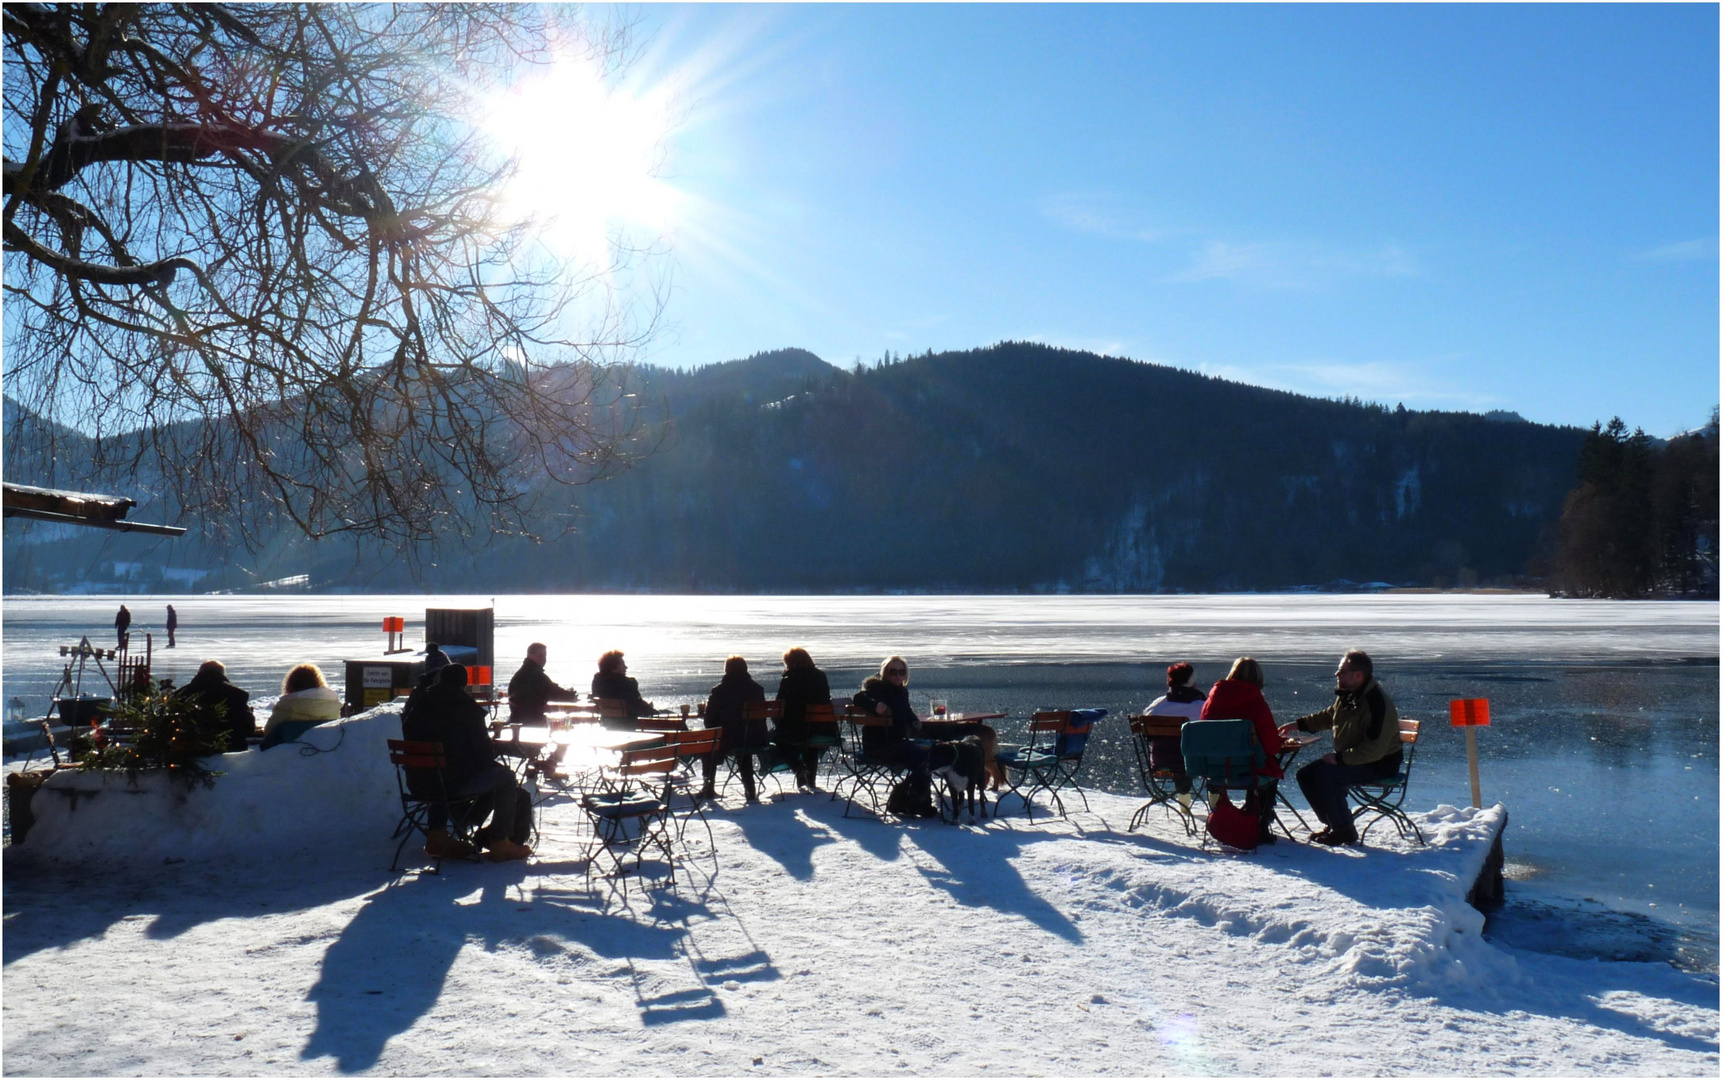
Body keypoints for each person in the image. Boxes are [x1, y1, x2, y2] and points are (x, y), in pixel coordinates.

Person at [401, 664, 531, 861]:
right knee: (505, 777)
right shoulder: (466, 709)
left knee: (439, 773)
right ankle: (499, 841)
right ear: (465, 683)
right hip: (453, 784)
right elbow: (484, 757)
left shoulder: (419, 705)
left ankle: (437, 833)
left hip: (418, 782)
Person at [1288, 649, 1402, 847]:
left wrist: (1340, 759)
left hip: (1380, 764)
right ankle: (1334, 823)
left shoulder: (1376, 704)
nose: (1337, 675)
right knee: (1305, 775)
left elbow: (1374, 750)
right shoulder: (1348, 695)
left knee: (1327, 775)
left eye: (1342, 671)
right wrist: (1298, 725)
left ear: (1358, 676)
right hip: (1357, 758)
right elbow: (1329, 716)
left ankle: (1344, 830)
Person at [1200, 657, 1285, 845]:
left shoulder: (1212, 699)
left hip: (1215, 770)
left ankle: (1242, 815)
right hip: (1248, 771)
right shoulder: (1256, 702)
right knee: (1269, 766)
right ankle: (1260, 823)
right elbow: (1271, 747)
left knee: (1259, 763)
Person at [852, 656, 935, 817]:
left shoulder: (901, 691)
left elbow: (906, 711)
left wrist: (914, 721)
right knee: (922, 757)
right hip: (878, 747)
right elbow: (859, 698)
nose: (897, 675)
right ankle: (915, 801)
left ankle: (908, 799)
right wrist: (875, 705)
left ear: (905, 675)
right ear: (885, 673)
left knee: (928, 754)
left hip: (896, 744)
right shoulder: (878, 688)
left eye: (901, 672)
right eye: (893, 672)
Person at [698, 656, 768, 803]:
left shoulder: (719, 691)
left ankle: (708, 786)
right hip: (757, 738)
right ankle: (750, 787)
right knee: (743, 743)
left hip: (731, 739)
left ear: (727, 669)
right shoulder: (757, 689)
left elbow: (709, 720)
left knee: (709, 745)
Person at [1144, 662, 1206, 809]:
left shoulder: (1157, 706)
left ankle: (1183, 803)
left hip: (1160, 764)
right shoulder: (1200, 706)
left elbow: (1146, 732)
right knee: (1193, 753)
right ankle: (1214, 806)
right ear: (1191, 682)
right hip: (1193, 765)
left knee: (1175, 750)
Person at [774, 646, 834, 790]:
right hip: (823, 728)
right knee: (811, 746)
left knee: (779, 742)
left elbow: (780, 704)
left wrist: (778, 723)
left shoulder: (789, 679)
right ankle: (811, 782)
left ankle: (798, 769)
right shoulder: (820, 676)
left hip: (796, 729)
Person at [175, 659, 257, 752]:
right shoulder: (236, 694)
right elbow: (248, 727)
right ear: (222, 674)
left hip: (185, 751)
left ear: (199, 672)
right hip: (231, 750)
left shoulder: (181, 695)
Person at [260, 663, 341, 749]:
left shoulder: (286, 708)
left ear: (291, 684)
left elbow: (269, 734)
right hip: (325, 755)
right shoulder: (333, 708)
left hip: (288, 758)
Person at [506, 642, 575, 723]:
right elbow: (553, 691)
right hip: (531, 721)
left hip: (517, 719)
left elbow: (550, 689)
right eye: (540, 656)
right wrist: (571, 696)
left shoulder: (522, 673)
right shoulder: (534, 674)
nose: (543, 660)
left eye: (544, 656)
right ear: (530, 656)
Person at [592, 650, 655, 721]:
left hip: (607, 722)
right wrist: (654, 711)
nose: (626, 667)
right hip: (628, 723)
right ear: (613, 668)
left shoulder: (598, 684)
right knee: (666, 712)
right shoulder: (626, 684)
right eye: (623, 664)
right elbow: (635, 706)